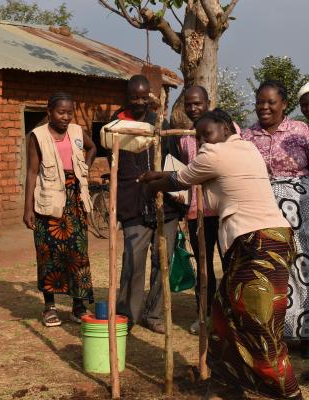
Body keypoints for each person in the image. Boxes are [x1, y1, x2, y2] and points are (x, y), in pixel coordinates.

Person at [139, 109, 302, 400]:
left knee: (259, 325)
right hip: (266, 240)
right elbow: (202, 186)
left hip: (260, 243)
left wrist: (151, 184)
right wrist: (163, 176)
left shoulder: (215, 154)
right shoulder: (246, 148)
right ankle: (228, 384)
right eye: (198, 136)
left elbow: (179, 180)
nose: (203, 141)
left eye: (207, 133)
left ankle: (288, 394)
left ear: (227, 127)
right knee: (223, 312)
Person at [112, 74, 184, 334]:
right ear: (127, 97)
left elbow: (174, 163)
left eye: (144, 97)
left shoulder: (161, 125)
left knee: (162, 262)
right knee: (133, 261)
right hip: (133, 205)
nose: (139, 102)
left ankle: (154, 315)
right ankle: (126, 316)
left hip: (164, 204)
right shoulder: (116, 126)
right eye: (135, 97)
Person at [242, 80, 309, 359]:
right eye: (260, 102)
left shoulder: (301, 131)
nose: (265, 107)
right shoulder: (247, 136)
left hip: (300, 208)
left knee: (301, 267)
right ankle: (273, 333)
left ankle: (304, 333)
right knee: (268, 268)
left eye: (271, 102)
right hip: (260, 208)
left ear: (284, 105)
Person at [23, 92, 96, 327]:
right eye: (60, 112)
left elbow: (92, 147)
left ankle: (78, 307)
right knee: (48, 254)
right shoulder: (38, 136)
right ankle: (50, 307)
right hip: (48, 201)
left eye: (69, 112)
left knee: (78, 254)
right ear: (49, 112)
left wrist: (84, 168)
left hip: (75, 202)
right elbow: (32, 172)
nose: (65, 117)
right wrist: (28, 208)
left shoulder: (75, 132)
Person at [179, 86, 227, 335]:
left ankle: (229, 318)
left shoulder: (224, 131)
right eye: (189, 104)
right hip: (197, 213)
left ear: (208, 103)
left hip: (223, 210)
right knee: (203, 267)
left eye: (198, 103)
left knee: (230, 265)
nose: (193, 108)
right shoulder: (184, 137)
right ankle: (204, 315)